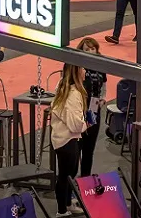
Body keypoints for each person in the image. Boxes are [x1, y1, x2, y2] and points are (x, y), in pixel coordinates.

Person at [50, 63, 87, 217]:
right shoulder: (73, 94)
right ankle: (62, 211)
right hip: (67, 140)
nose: (85, 71)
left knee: (69, 174)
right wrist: (85, 124)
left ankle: (67, 203)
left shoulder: (63, 88)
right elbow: (75, 124)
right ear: (76, 71)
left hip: (64, 138)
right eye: (82, 68)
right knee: (65, 176)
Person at [77, 38, 106, 177]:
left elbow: (104, 84)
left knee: (89, 148)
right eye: (87, 49)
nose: (90, 51)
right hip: (79, 110)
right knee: (77, 146)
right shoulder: (78, 67)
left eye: (92, 49)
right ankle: (71, 180)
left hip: (93, 111)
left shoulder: (101, 65)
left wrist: (103, 98)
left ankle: (85, 178)